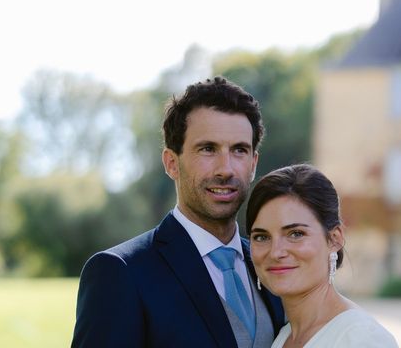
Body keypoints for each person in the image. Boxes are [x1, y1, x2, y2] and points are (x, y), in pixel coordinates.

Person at [72, 76, 285, 348]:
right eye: (208, 149)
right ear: (172, 163)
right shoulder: (120, 273)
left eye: (239, 150)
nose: (226, 169)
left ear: (253, 163)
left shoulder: (271, 264)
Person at [246, 164, 398, 348]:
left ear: (334, 239)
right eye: (262, 237)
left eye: (295, 234)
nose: (276, 252)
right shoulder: (283, 338)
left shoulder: (360, 339)